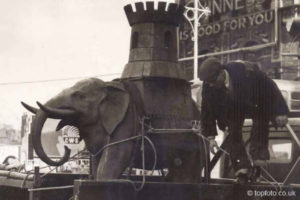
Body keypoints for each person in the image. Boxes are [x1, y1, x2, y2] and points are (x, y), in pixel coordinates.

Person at [199, 57, 289, 183]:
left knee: (260, 123)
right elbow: (207, 110)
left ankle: (258, 162)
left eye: (213, 81)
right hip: (234, 108)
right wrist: (211, 137)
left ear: (221, 73)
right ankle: (242, 170)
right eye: (208, 82)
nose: (211, 85)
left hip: (256, 101)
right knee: (233, 133)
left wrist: (280, 111)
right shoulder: (208, 85)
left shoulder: (244, 71)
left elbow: (270, 87)